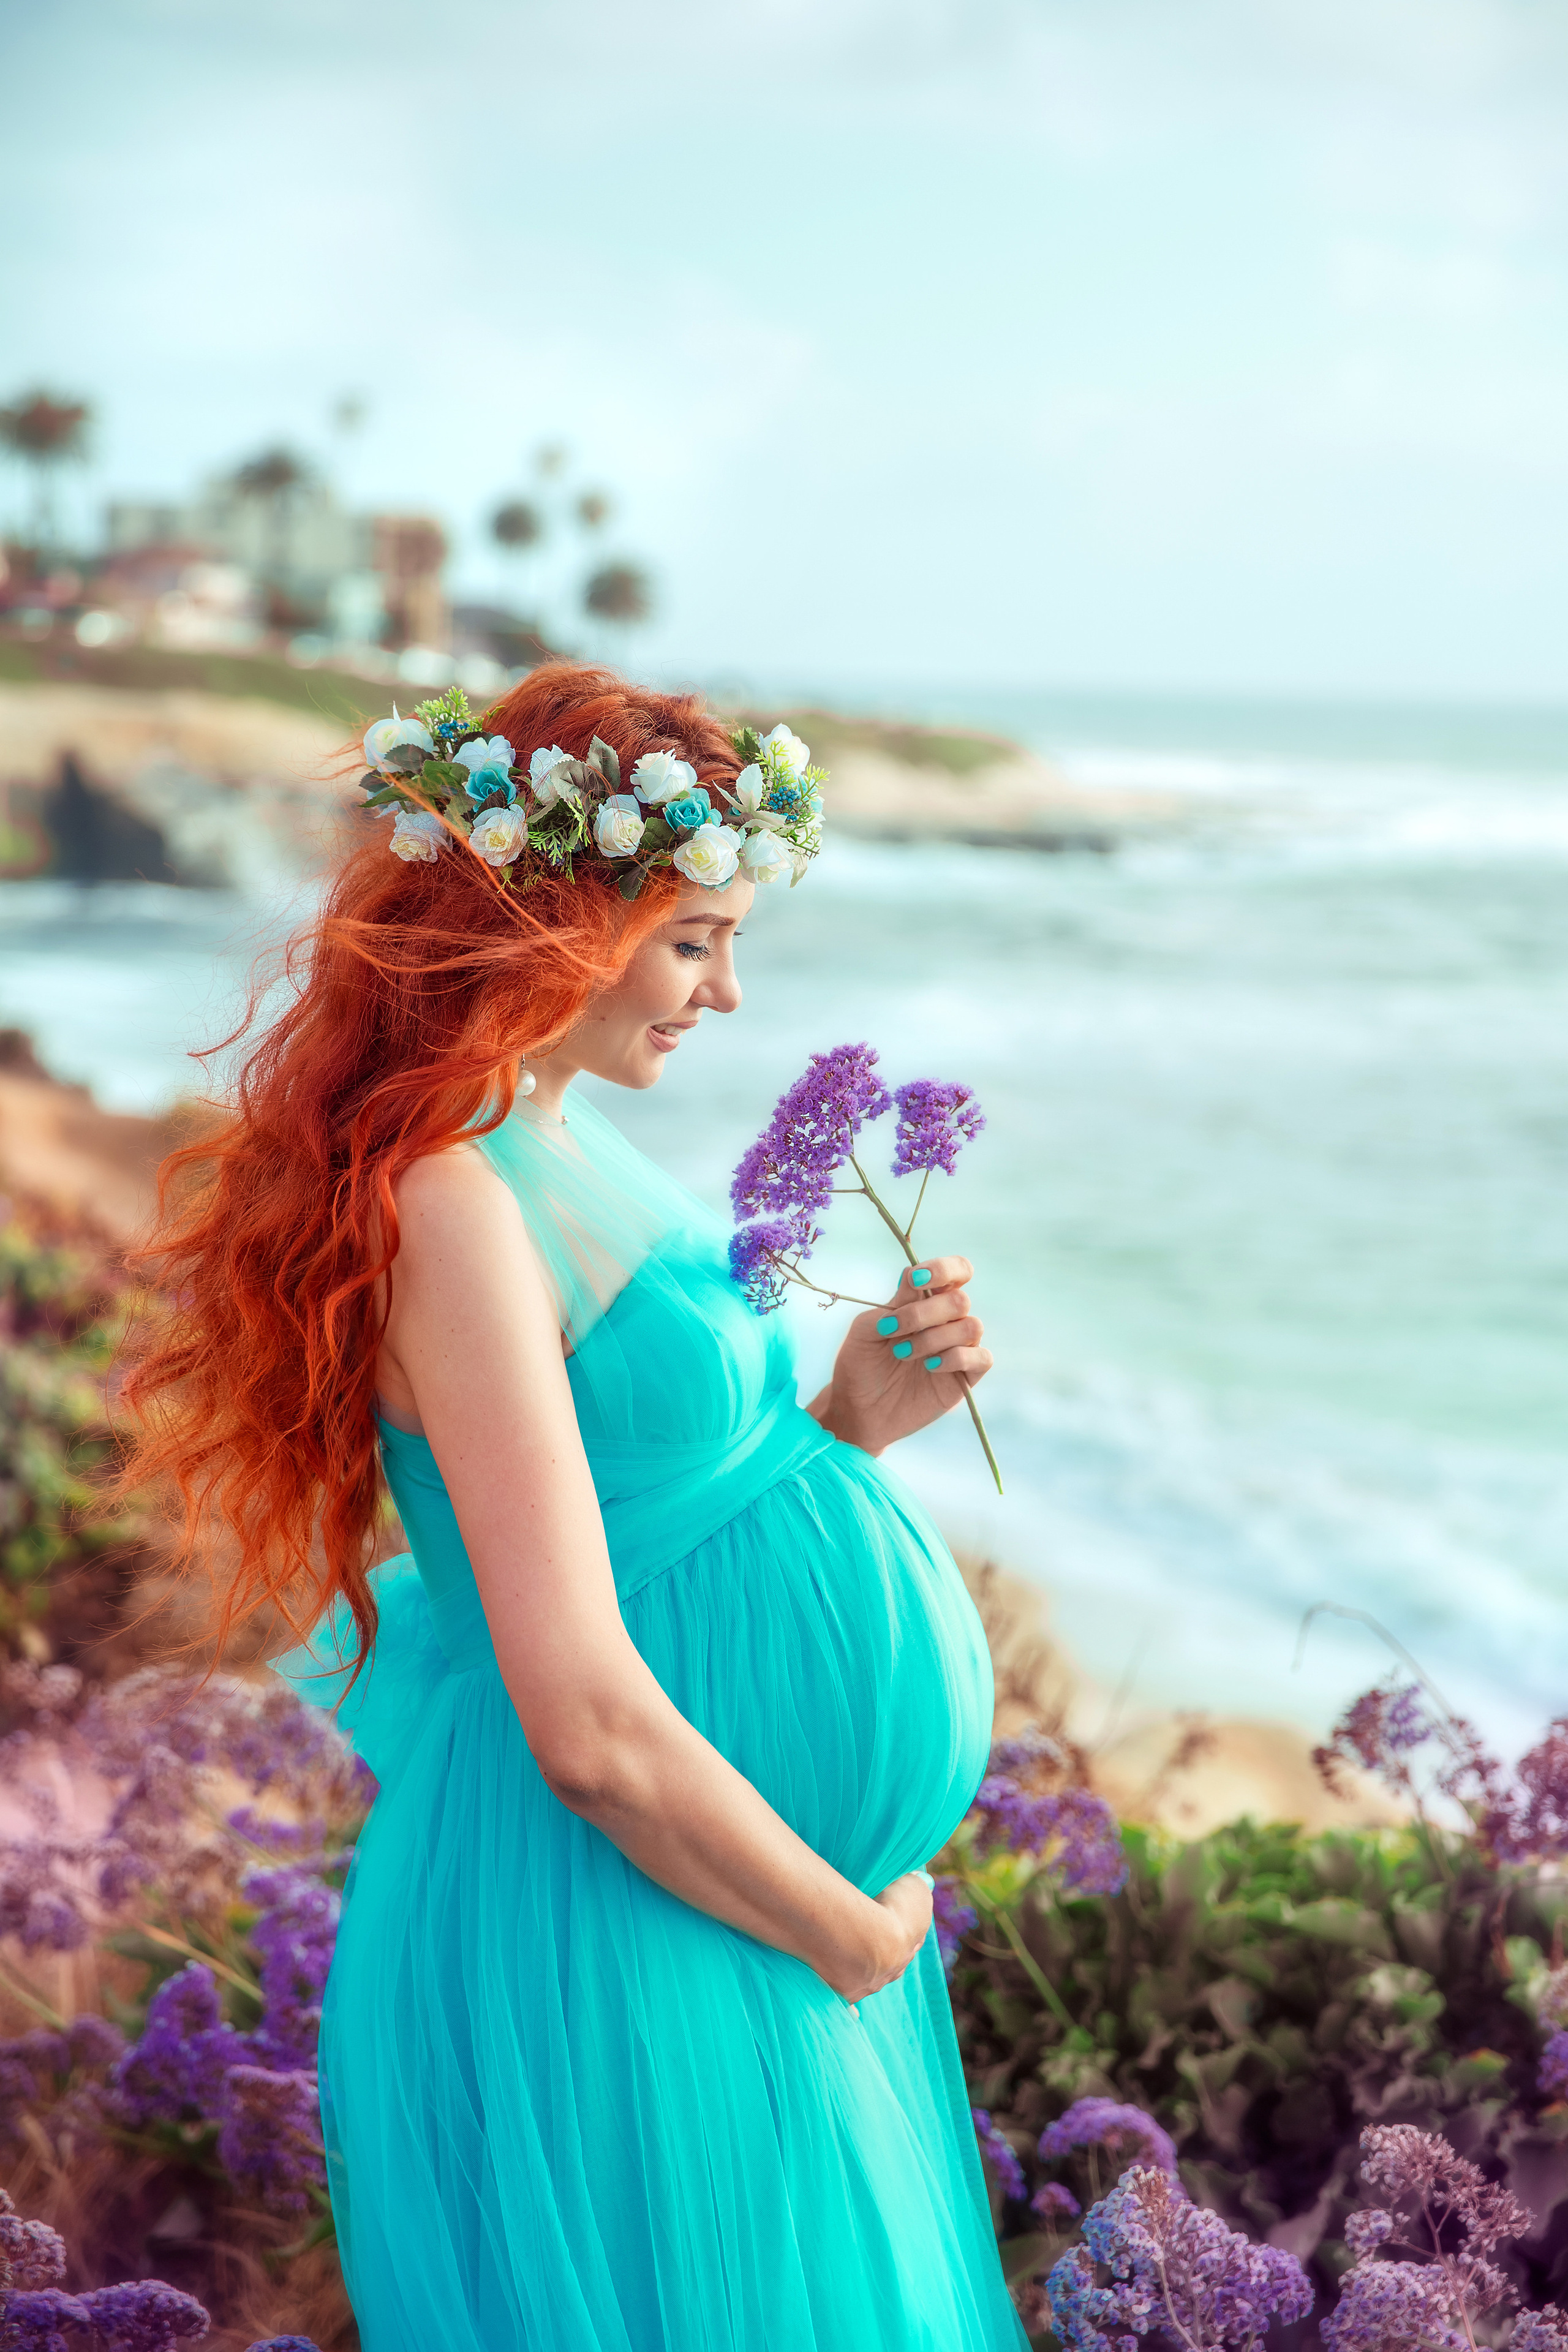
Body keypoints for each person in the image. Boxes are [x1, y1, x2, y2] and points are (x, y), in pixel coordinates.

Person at [127, 664, 1023, 2350]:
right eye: (697, 940)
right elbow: (588, 1727)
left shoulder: (565, 1143)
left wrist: (846, 1426)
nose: (733, 994)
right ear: (557, 917)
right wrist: (844, 1936)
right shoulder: (455, 1202)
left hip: (721, 1899)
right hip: (619, 1912)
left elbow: (638, 1514)